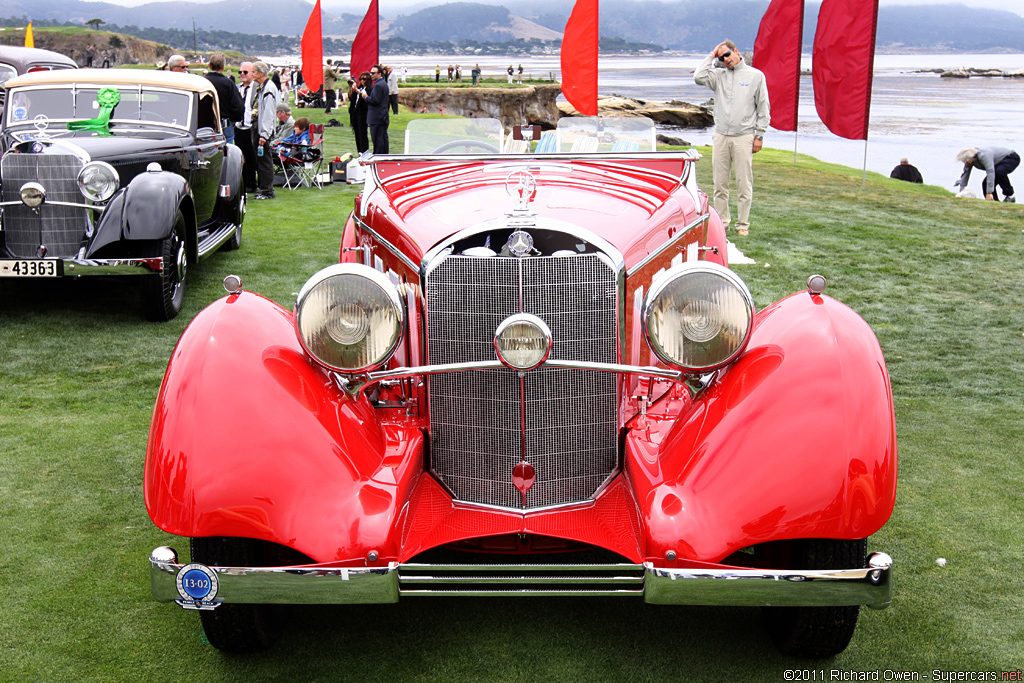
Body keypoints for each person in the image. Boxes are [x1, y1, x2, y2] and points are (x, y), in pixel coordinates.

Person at [694, 40, 770, 236]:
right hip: (720, 136)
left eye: (727, 55)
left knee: (744, 183)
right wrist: (711, 55)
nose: (725, 60)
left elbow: (763, 108)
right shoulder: (718, 76)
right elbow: (698, 76)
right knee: (720, 184)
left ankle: (743, 224)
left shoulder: (755, 76)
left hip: (744, 136)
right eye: (721, 58)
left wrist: (759, 135)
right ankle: (723, 224)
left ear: (736, 51)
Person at [250, 61, 281, 199]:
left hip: (263, 130)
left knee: (264, 160)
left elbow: (268, 113)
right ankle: (264, 188)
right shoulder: (263, 87)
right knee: (261, 159)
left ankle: (267, 191)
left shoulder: (268, 89)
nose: (251, 75)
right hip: (260, 127)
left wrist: (264, 134)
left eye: (253, 72)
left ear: (261, 73)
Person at [205, 53, 244, 144]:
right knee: (227, 152)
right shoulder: (228, 83)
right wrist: (235, 119)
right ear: (223, 67)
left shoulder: (203, 82)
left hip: (205, 125)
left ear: (209, 66)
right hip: (225, 123)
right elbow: (238, 106)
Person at [235, 61, 258, 194]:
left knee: (252, 157)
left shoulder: (256, 88)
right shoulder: (238, 88)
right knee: (240, 157)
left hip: (251, 127)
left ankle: (252, 183)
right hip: (239, 127)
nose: (242, 75)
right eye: (240, 72)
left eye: (245, 72)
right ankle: (243, 182)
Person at [362, 64, 390, 154]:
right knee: (382, 140)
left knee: (378, 141)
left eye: (373, 73)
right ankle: (384, 157)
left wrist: (365, 97)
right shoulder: (382, 84)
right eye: (371, 73)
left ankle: (379, 158)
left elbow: (375, 100)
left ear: (380, 74)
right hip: (382, 116)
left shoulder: (378, 85)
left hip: (377, 117)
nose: (371, 75)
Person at [349, 73, 370, 154]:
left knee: (363, 134)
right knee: (357, 135)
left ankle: (365, 152)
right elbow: (351, 97)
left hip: (363, 114)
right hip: (355, 115)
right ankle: (360, 153)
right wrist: (351, 88)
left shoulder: (369, 89)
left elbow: (366, 98)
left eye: (364, 79)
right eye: (361, 79)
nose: (362, 81)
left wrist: (357, 90)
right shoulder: (359, 89)